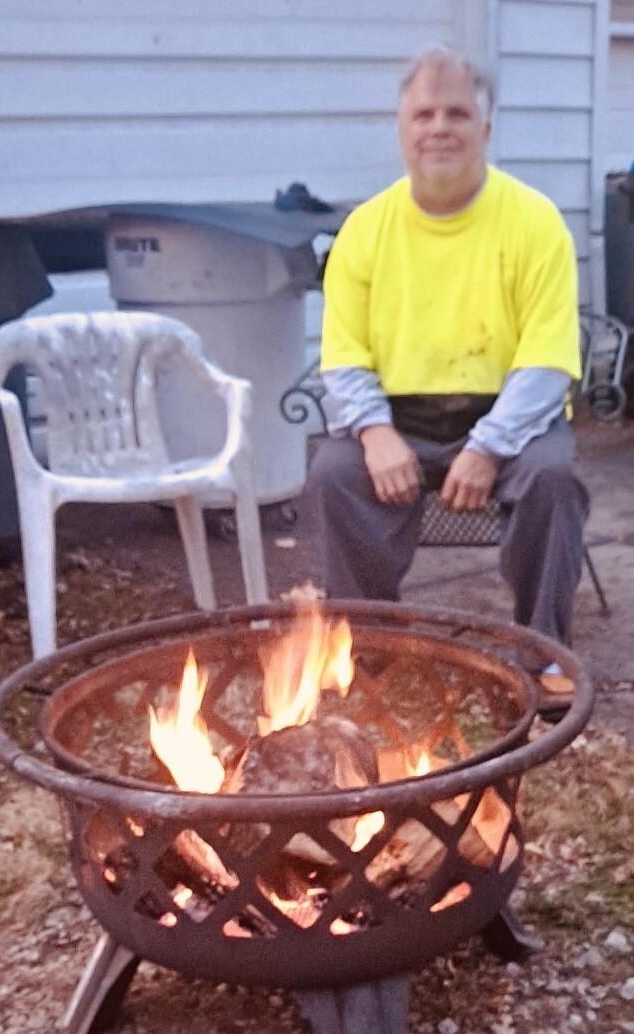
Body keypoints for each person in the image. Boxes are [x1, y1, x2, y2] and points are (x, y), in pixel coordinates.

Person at [309, 46, 590, 658]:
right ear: (402, 130)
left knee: (551, 475)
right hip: (397, 418)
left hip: (510, 414)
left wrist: (488, 446)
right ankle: (366, 649)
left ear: (485, 129)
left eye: (458, 114)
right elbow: (343, 353)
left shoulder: (535, 223)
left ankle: (543, 658)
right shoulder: (364, 230)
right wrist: (374, 432)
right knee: (334, 474)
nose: (439, 127)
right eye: (424, 114)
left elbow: (547, 361)